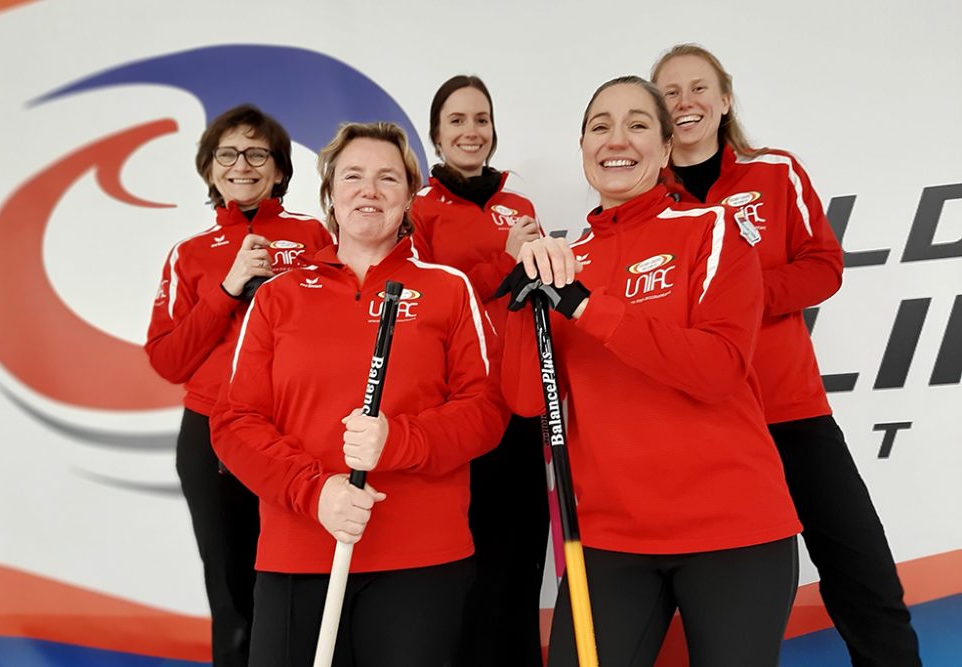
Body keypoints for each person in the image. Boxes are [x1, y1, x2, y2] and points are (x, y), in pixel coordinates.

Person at [496, 76, 802, 667]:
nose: (617, 139)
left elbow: (717, 369)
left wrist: (587, 306)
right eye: (600, 126)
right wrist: (524, 300)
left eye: (638, 124)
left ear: (665, 150)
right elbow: (527, 399)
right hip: (610, 539)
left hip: (732, 530)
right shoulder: (567, 259)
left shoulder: (710, 231)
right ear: (582, 146)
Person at [651, 44, 922, 666]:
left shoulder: (774, 172)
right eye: (670, 92)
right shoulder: (648, 198)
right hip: (705, 425)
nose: (686, 102)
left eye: (699, 88)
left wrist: (738, 294)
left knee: (864, 576)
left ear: (723, 100)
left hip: (791, 411)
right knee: (705, 598)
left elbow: (824, 267)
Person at [209, 121, 509, 667]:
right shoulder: (279, 297)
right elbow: (234, 422)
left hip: (419, 563)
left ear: (408, 196)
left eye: (387, 178)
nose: (369, 190)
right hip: (298, 555)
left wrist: (399, 440)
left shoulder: (447, 288)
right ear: (329, 193)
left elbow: (486, 411)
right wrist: (315, 493)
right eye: (353, 176)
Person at [145, 104, 333, 667]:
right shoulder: (190, 254)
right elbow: (168, 360)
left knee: (303, 584)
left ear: (279, 169)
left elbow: (334, 331)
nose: (242, 165)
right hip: (210, 437)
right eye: (228, 154)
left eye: (258, 153)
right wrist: (227, 288)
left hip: (294, 431)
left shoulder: (313, 236)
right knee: (231, 594)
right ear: (209, 169)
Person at [409, 74, 547, 667]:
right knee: (468, 562)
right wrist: (506, 261)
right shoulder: (418, 208)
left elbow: (532, 290)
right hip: (458, 404)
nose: (472, 131)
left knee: (521, 558)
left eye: (481, 119)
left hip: (519, 396)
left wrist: (528, 264)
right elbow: (432, 294)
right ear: (437, 134)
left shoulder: (520, 205)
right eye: (458, 120)